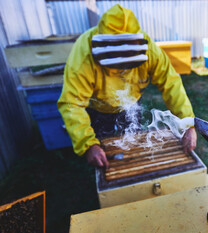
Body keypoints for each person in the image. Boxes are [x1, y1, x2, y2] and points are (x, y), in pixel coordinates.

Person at [57, 4, 197, 168]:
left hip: (132, 102)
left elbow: (171, 83)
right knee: (104, 148)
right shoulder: (83, 53)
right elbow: (72, 102)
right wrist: (88, 145)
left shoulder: (149, 49)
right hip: (98, 106)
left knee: (132, 143)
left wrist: (187, 124)